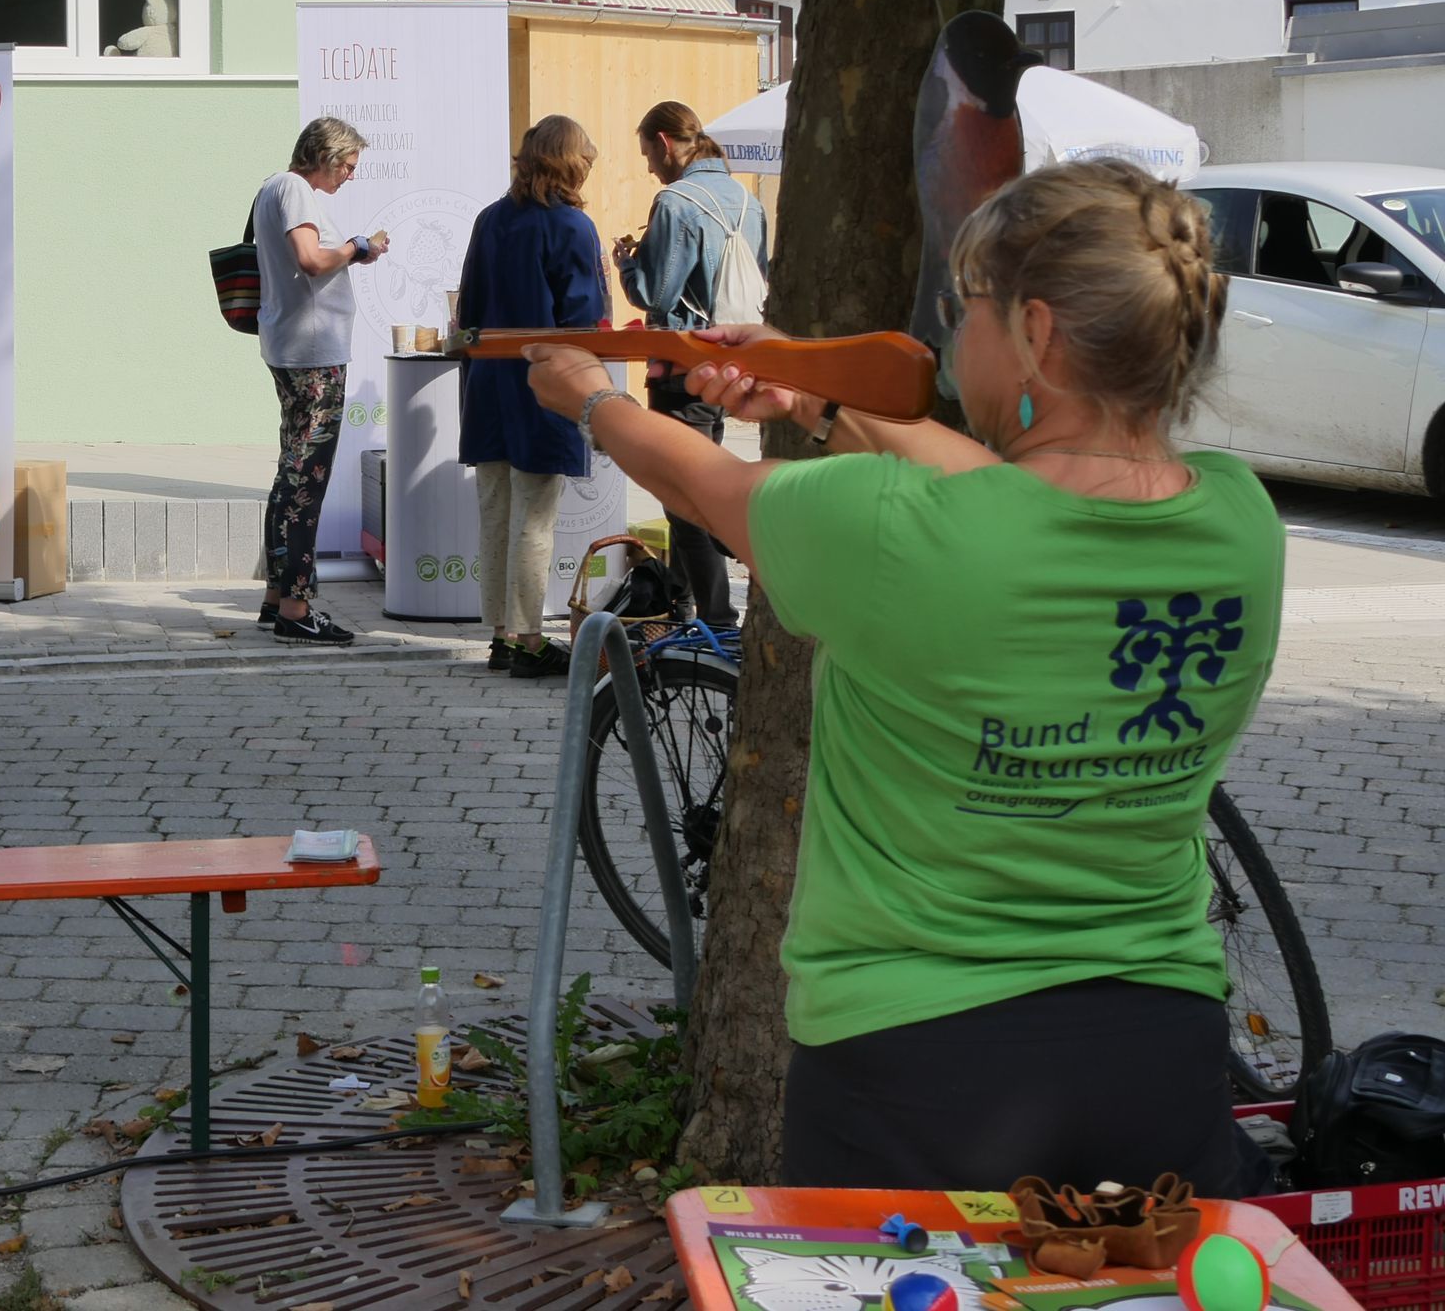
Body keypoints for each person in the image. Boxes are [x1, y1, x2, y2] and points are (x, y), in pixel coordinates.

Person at [524, 158, 1277, 1194]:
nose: (948, 335)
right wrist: (818, 393)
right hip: (1159, 1052)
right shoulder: (1240, 522)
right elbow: (1018, 503)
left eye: (966, 308)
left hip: (913, 1065)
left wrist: (592, 399)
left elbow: (702, 482)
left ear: (1037, 333)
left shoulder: (885, 529)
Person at [455, 115, 608, 678]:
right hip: (543, 380)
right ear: (568, 162)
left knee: (496, 509)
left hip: (489, 379)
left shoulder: (490, 218)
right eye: (585, 160)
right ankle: (527, 639)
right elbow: (585, 316)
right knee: (534, 517)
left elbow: (467, 309)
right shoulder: (571, 225)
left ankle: (499, 633)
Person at [613, 99, 766, 628]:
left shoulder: (675, 202)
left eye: (647, 156)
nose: (649, 168)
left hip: (682, 366)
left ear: (664, 143)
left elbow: (656, 295)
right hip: (733, 364)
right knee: (698, 479)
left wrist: (626, 264)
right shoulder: (748, 202)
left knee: (685, 495)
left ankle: (718, 614)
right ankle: (681, 601)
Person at [251, 117, 389, 647]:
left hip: (292, 348)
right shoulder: (295, 189)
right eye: (348, 166)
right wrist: (357, 247)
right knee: (306, 482)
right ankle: (296, 607)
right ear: (327, 155)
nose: (350, 176)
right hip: (313, 355)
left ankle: (275, 598)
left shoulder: (274, 187)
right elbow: (311, 261)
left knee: (291, 473)